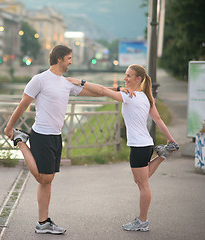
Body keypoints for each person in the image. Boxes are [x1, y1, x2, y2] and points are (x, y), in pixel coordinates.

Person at [67, 64, 179, 232]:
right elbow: (158, 120)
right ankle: (162, 155)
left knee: (143, 184)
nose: (125, 79)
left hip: (139, 146)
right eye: (125, 75)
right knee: (141, 180)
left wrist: (81, 82)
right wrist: (170, 139)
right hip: (145, 144)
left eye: (128, 76)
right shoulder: (145, 97)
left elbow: (103, 91)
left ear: (138, 79)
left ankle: (142, 221)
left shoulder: (130, 96)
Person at [4, 45, 103, 234]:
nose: (71, 62)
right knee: (44, 177)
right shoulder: (39, 80)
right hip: (41, 134)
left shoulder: (66, 83)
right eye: (69, 58)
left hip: (56, 136)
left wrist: (84, 82)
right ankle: (20, 141)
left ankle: (43, 223)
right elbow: (23, 104)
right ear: (59, 59)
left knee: (47, 182)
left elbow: (97, 92)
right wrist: (9, 127)